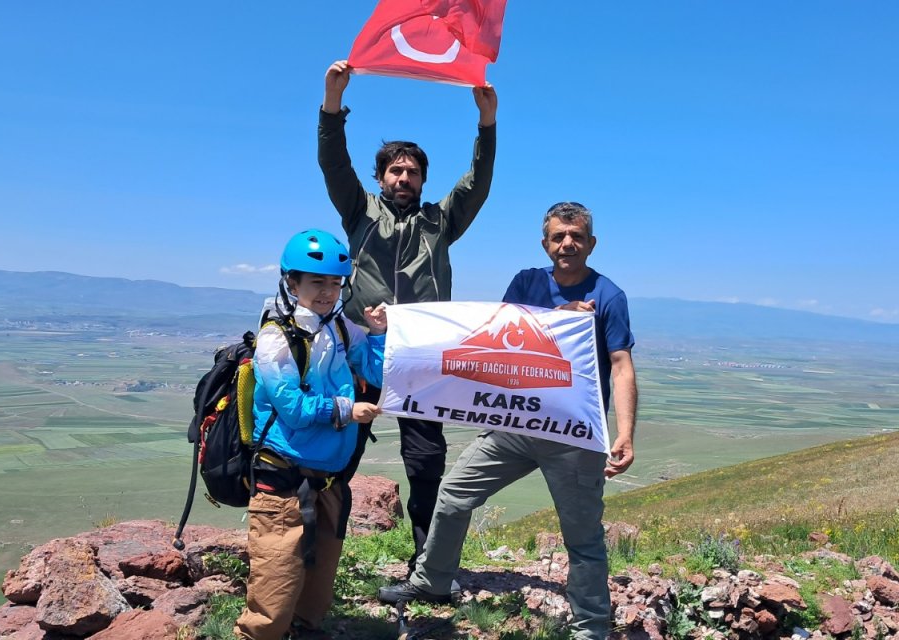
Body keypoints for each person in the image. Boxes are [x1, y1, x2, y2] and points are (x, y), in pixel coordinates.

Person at [377, 202, 639, 640]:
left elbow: (621, 364)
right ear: (546, 243)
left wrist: (626, 432)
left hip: (572, 436)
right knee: (455, 495)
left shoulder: (609, 296)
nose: (567, 244)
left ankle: (591, 629)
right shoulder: (526, 282)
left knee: (582, 537)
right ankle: (432, 580)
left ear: (591, 243)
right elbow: (498, 335)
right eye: (559, 237)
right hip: (515, 426)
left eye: (576, 237)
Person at [316, 59, 498, 575]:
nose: (403, 177)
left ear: (422, 180)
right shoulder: (359, 212)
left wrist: (487, 123)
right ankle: (317, 555)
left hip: (420, 355)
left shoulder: (441, 221)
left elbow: (476, 184)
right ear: (380, 177)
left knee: (424, 461)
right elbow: (333, 164)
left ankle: (427, 562)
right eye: (395, 170)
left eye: (412, 171)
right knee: (338, 446)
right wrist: (333, 105)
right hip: (358, 350)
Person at [234, 229, 388, 640]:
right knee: (276, 580)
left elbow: (375, 371)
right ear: (291, 282)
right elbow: (295, 411)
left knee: (318, 581)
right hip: (283, 476)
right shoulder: (274, 340)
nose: (328, 292)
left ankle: (304, 631)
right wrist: (346, 409)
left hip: (329, 477)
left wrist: (376, 334)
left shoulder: (338, 327)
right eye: (317, 281)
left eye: (336, 283)